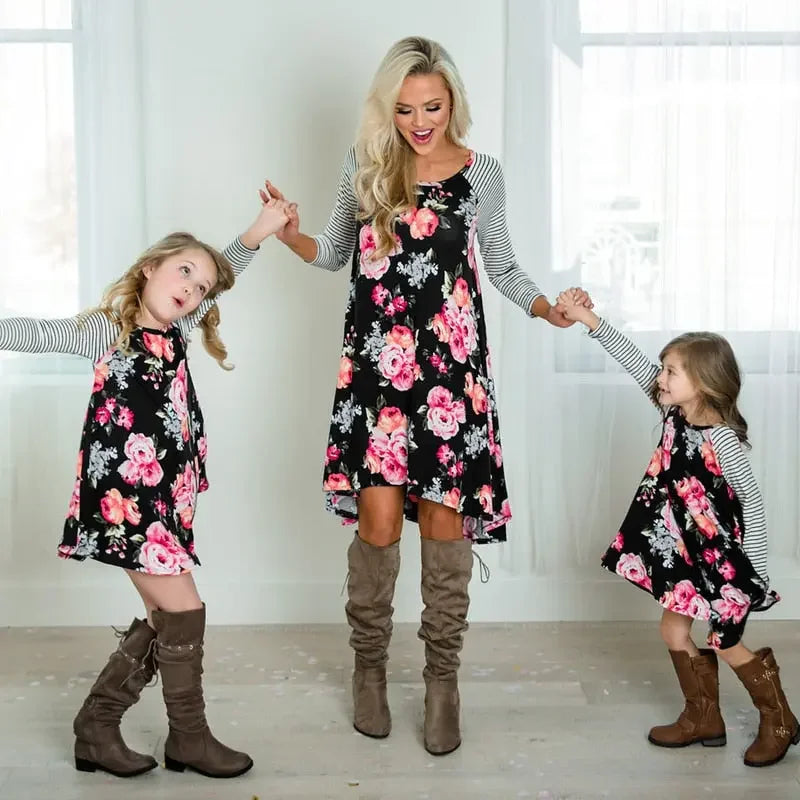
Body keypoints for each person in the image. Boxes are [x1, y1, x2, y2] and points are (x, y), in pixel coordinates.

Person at [266, 35, 589, 755]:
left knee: (446, 528)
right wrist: (291, 235)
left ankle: (443, 682)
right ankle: (369, 671)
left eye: (433, 107)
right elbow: (333, 254)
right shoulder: (368, 167)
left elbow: (501, 268)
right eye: (407, 108)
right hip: (378, 378)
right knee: (378, 524)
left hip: (451, 379)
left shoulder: (483, 173)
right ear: (389, 107)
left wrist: (548, 308)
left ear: (452, 103)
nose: (420, 121)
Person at [0, 196, 291, 778]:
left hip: (165, 505)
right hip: (125, 503)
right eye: (184, 270)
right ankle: (187, 737)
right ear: (149, 269)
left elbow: (229, 265)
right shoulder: (110, 331)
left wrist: (259, 233)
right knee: (185, 609)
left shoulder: (176, 332)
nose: (192, 287)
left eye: (202, 287)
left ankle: (97, 730)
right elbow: (29, 332)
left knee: (169, 617)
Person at [557, 288, 798, 768]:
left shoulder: (722, 439)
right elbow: (631, 358)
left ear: (705, 383)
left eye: (672, 372)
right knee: (673, 630)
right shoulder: (675, 412)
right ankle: (703, 717)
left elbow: (751, 499)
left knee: (724, 640)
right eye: (663, 370)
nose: (661, 378)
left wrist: (757, 566)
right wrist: (589, 319)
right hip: (681, 553)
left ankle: (779, 718)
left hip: (720, 558)